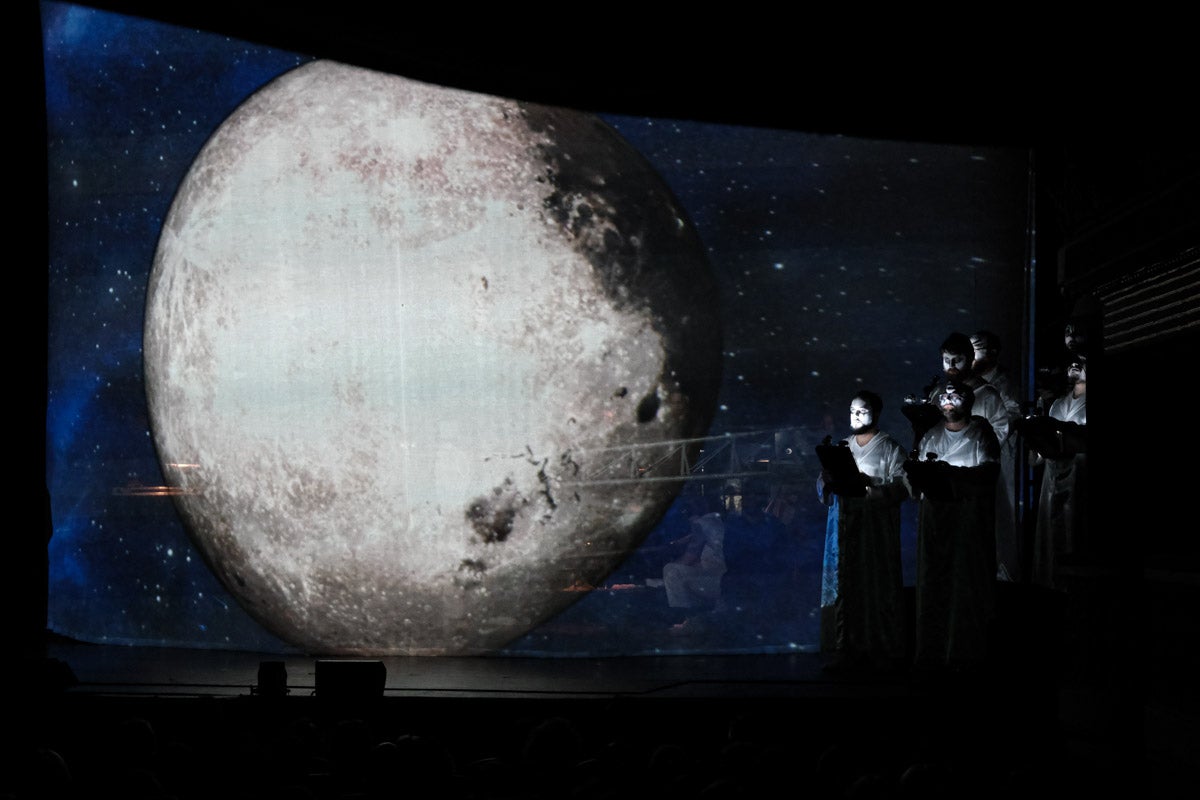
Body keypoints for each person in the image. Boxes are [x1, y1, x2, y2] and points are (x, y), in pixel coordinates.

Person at [906, 381, 1001, 672]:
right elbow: (914, 479)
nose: (948, 399)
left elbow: (989, 471)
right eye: (944, 395)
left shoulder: (980, 432)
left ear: (968, 400)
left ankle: (964, 654)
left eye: (955, 394)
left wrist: (952, 474)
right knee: (935, 585)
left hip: (966, 522)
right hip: (936, 522)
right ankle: (932, 651)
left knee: (965, 584)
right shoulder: (931, 435)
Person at [816, 390, 911, 671]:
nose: (856, 416)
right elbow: (823, 484)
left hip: (875, 530)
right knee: (847, 587)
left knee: (876, 585)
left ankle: (881, 647)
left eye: (863, 410)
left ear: (876, 413)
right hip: (844, 526)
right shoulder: (841, 447)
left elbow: (903, 486)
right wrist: (828, 482)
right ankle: (847, 647)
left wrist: (870, 487)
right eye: (852, 411)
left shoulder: (890, 448)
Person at [1026, 356, 1087, 589]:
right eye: (1071, 360)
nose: (1074, 364)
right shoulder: (1058, 405)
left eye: (1081, 360)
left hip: (1079, 477)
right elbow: (1040, 452)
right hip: (1053, 478)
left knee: (1074, 530)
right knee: (1052, 536)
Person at [970, 330, 1023, 582]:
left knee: (1001, 514)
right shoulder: (969, 385)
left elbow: (1010, 417)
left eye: (977, 348)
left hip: (1000, 459)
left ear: (993, 352)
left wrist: (985, 443)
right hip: (974, 462)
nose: (972, 354)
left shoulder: (1003, 384)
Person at [661, 493, 726, 619]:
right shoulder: (718, 521)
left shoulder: (701, 523)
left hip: (716, 582)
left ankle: (682, 616)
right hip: (723, 578)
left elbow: (689, 557)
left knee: (671, 571)